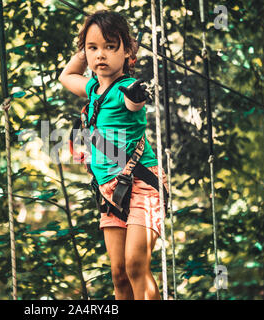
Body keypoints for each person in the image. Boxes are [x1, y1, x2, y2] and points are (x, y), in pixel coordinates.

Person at [58, 10, 169, 300]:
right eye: (94, 48)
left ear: (128, 51)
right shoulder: (93, 89)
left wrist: (137, 95)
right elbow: (66, 76)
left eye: (110, 46)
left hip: (142, 185)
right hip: (110, 192)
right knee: (118, 274)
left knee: (135, 265)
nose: (101, 55)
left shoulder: (125, 90)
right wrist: (85, 47)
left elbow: (135, 101)